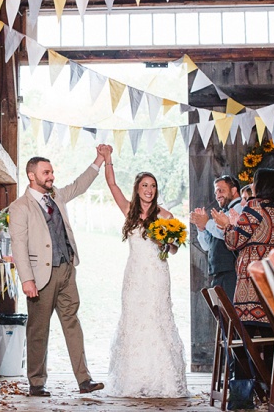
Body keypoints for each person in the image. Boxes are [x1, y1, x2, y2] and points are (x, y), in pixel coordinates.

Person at [8, 151, 105, 397]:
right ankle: (37, 383)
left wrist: (98, 161)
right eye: (46, 172)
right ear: (32, 176)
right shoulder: (20, 207)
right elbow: (18, 245)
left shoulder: (57, 196)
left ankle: (84, 379)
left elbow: (79, 185)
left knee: (72, 322)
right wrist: (27, 279)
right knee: (38, 329)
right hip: (41, 277)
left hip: (66, 270)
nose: (52, 176)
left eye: (51, 172)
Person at [99, 144, 188, 398]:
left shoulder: (166, 214)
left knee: (158, 320)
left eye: (153, 186)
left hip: (158, 275)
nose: (149, 190)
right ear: (138, 190)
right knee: (134, 321)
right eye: (145, 186)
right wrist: (108, 159)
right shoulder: (129, 210)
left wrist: (166, 242)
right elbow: (113, 186)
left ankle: (163, 379)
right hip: (135, 275)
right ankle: (134, 379)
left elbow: (173, 250)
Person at [211, 168, 274, 327]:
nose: (252, 185)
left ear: (262, 185)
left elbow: (234, 241)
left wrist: (227, 226)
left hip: (254, 282)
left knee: (247, 338)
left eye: (254, 182)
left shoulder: (255, 205)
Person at [190, 176, 243, 301]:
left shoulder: (240, 208)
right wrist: (201, 227)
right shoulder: (222, 213)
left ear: (234, 190)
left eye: (221, 190)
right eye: (216, 192)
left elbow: (227, 233)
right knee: (221, 314)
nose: (217, 195)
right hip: (218, 273)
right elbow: (206, 246)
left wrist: (207, 222)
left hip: (232, 272)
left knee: (231, 314)